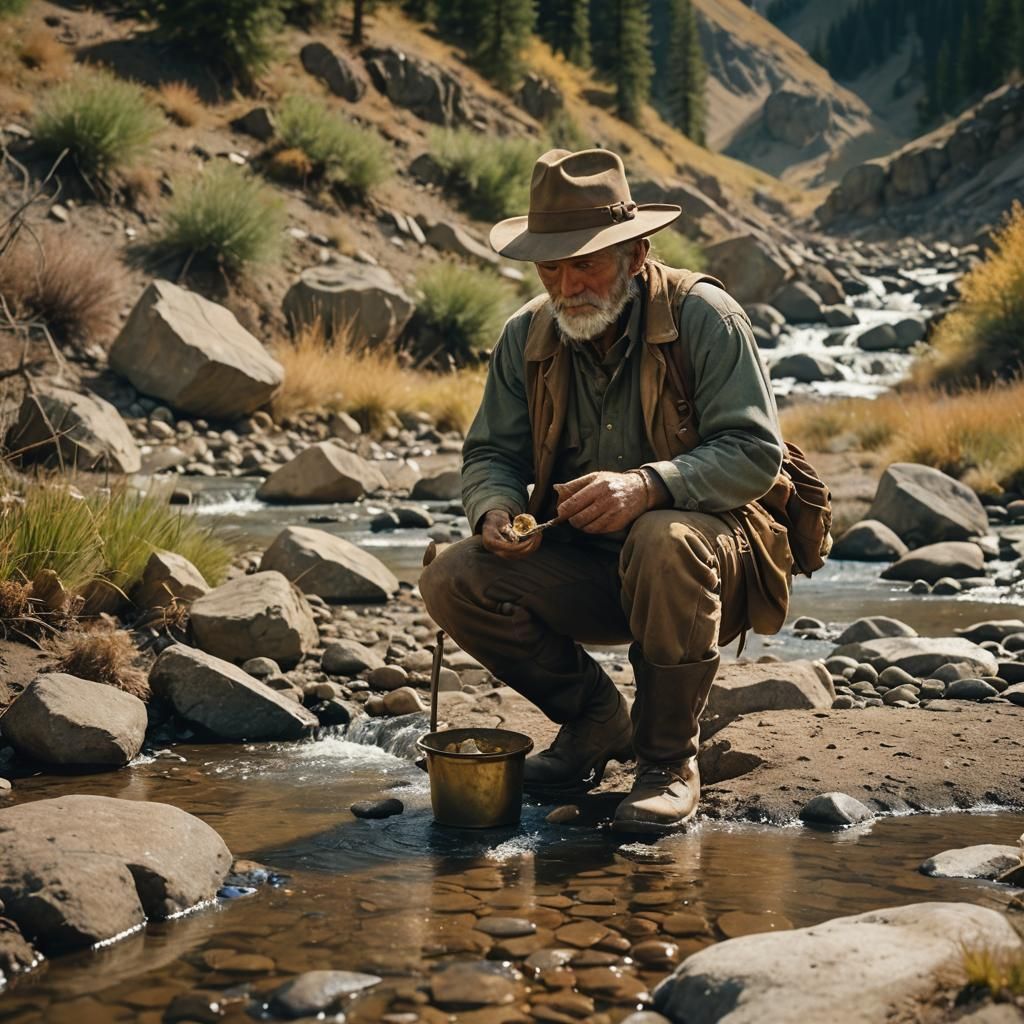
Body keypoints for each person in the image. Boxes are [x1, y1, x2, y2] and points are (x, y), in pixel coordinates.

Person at [419, 148, 793, 833]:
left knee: (660, 536)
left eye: (586, 262)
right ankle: (596, 722)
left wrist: (650, 485)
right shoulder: (525, 336)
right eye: (551, 266)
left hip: (708, 567)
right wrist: (494, 507)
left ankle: (667, 762)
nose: (568, 285)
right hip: (589, 570)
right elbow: (490, 453)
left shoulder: (707, 317)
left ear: (637, 253)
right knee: (453, 576)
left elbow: (756, 454)